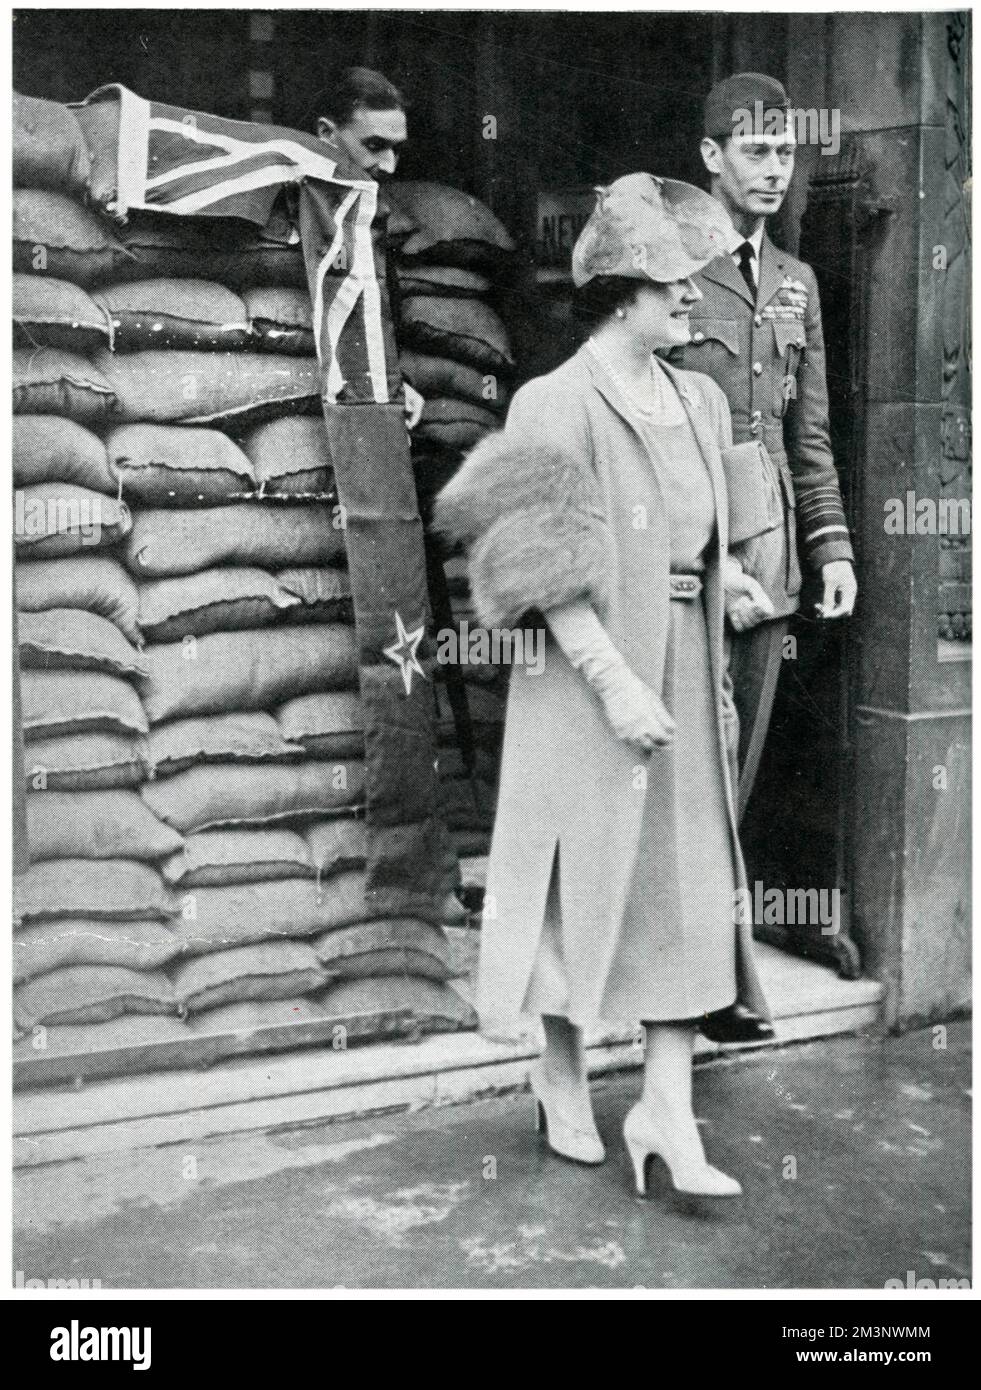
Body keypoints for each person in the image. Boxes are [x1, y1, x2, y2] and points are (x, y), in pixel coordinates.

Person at [435, 174, 773, 1201]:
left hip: (681, 653)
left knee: (685, 878)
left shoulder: (702, 397)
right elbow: (540, 572)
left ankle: (666, 1105)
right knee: (576, 880)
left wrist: (739, 578)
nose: (694, 305)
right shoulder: (554, 401)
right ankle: (561, 1068)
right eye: (675, 292)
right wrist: (615, 682)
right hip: (583, 673)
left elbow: (719, 525)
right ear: (623, 296)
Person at [674, 73, 858, 816]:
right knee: (682, 744)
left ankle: (722, 922)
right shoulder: (671, 271)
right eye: (756, 151)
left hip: (768, 544)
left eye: (785, 151)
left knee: (740, 752)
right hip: (687, 543)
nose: (776, 168)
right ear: (710, 156)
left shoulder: (797, 283)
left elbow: (806, 435)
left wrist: (832, 549)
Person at [315, 66, 423, 429]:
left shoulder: (372, 222)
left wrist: (397, 385)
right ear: (326, 134)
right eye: (375, 146)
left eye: (396, 149)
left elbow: (374, 324)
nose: (390, 166)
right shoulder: (284, 211)